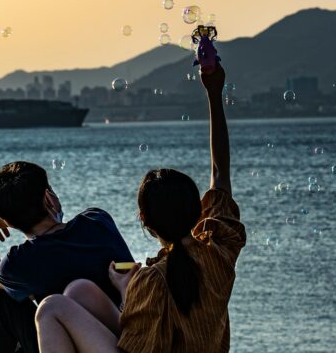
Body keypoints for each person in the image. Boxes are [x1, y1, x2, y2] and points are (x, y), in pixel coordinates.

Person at [34, 64, 246, 353]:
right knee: (78, 291)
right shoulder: (220, 251)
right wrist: (214, 92)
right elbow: (220, 172)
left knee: (51, 308)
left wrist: (126, 290)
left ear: (145, 221)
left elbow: (134, 349)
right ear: (199, 211)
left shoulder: (152, 280)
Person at [0, 161, 134, 353]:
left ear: (7, 221)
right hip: (127, 333)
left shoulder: (21, 262)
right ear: (49, 197)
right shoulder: (98, 220)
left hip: (70, 342)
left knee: (4, 301)